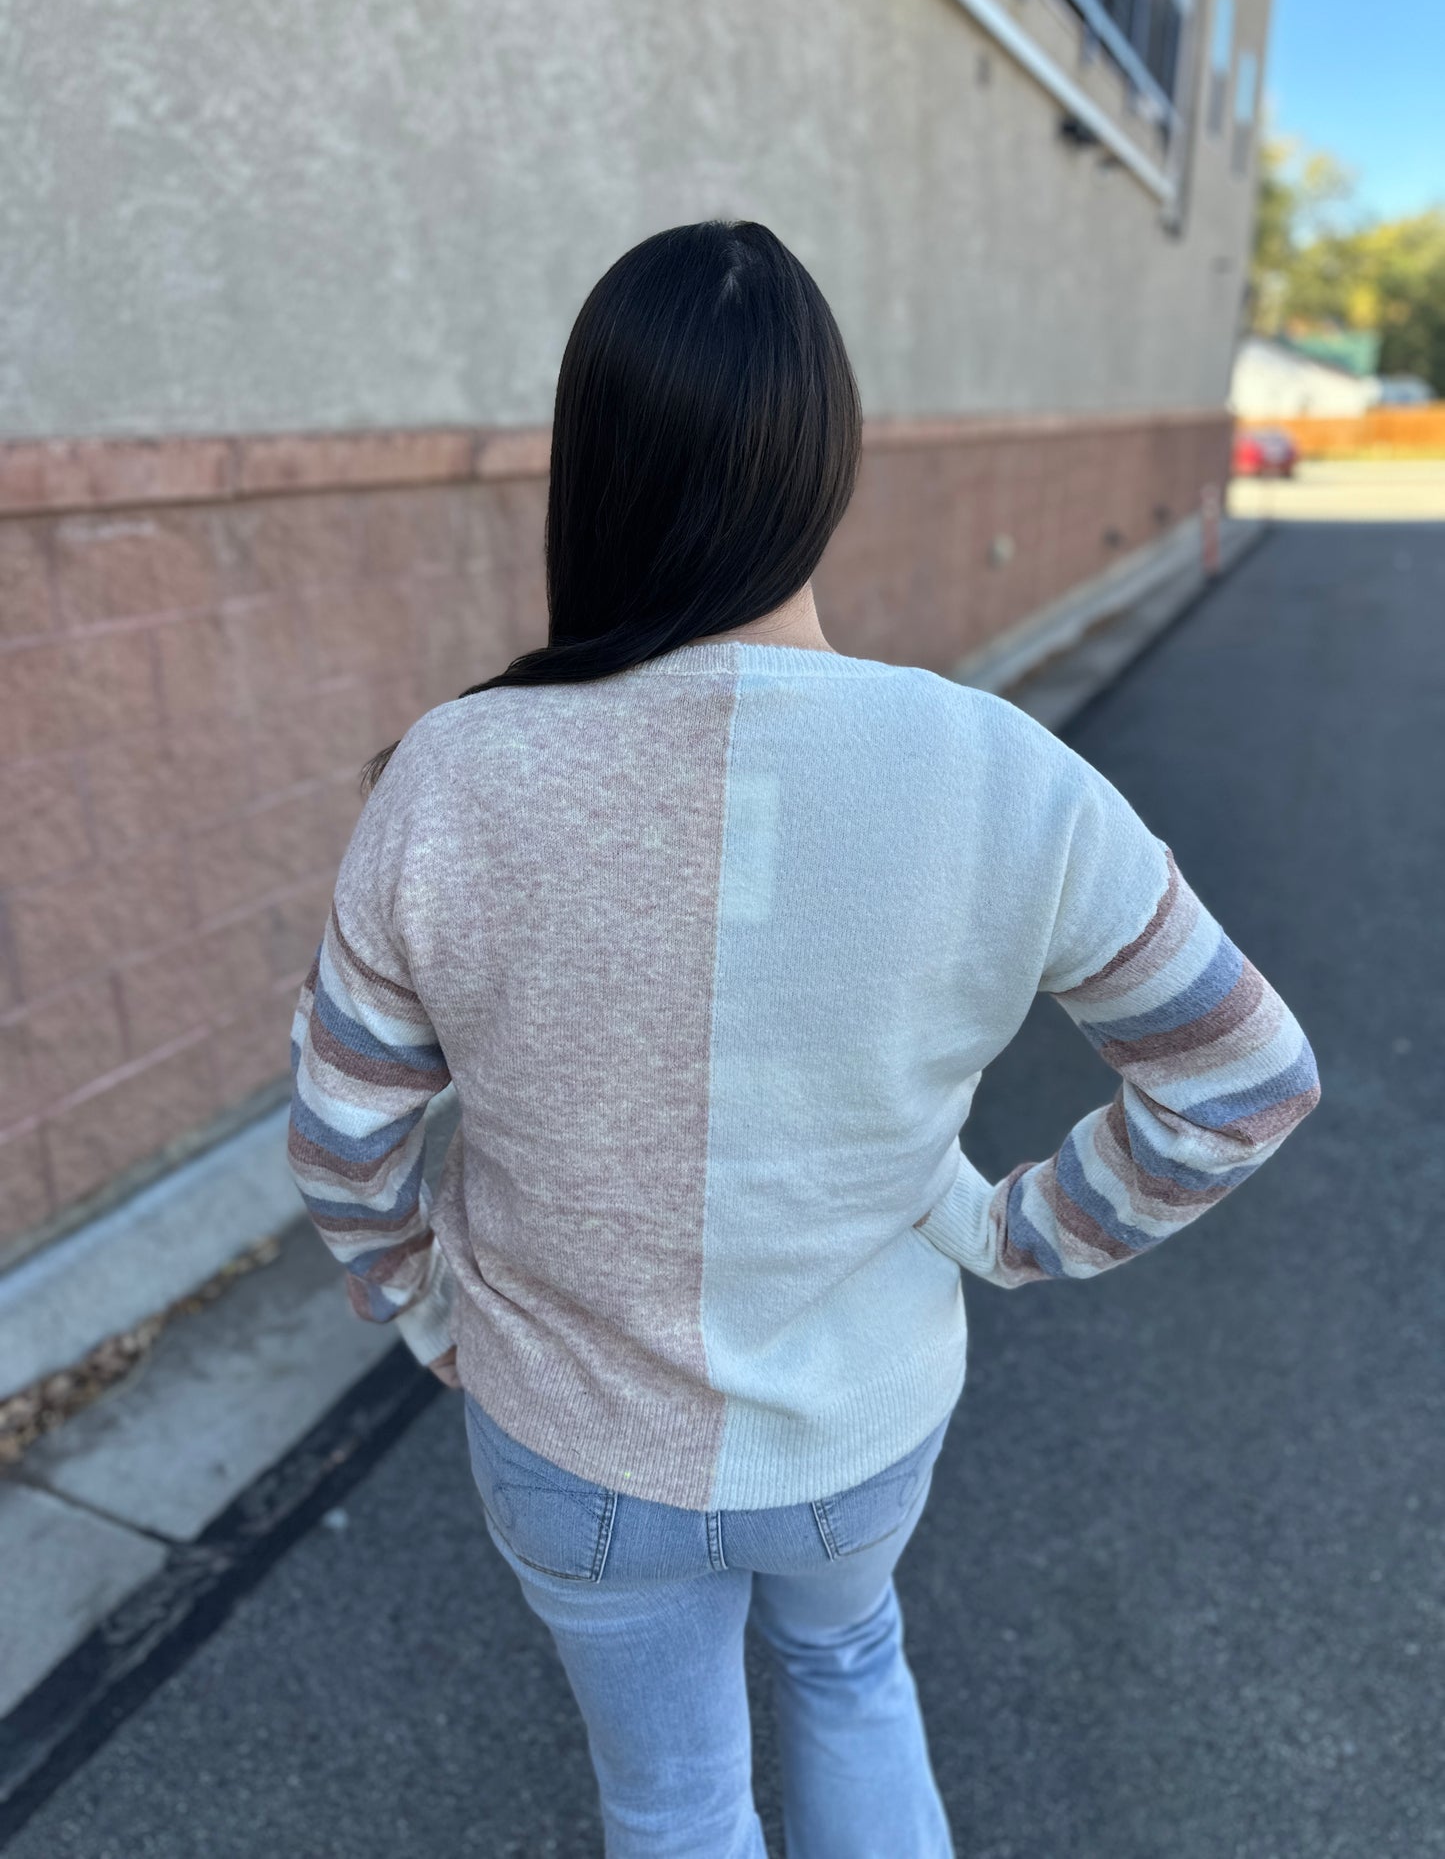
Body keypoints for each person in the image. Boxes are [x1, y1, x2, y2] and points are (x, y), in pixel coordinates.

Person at [285, 220, 1321, 1857]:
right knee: (848, 1663)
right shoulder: (997, 772)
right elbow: (1243, 1076)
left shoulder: (453, 776)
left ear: (592, 469)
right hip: (861, 1427)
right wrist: (1012, 1233)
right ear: (824, 471)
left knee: (675, 1803)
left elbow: (344, 1145)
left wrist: (430, 1321)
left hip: (564, 1436)